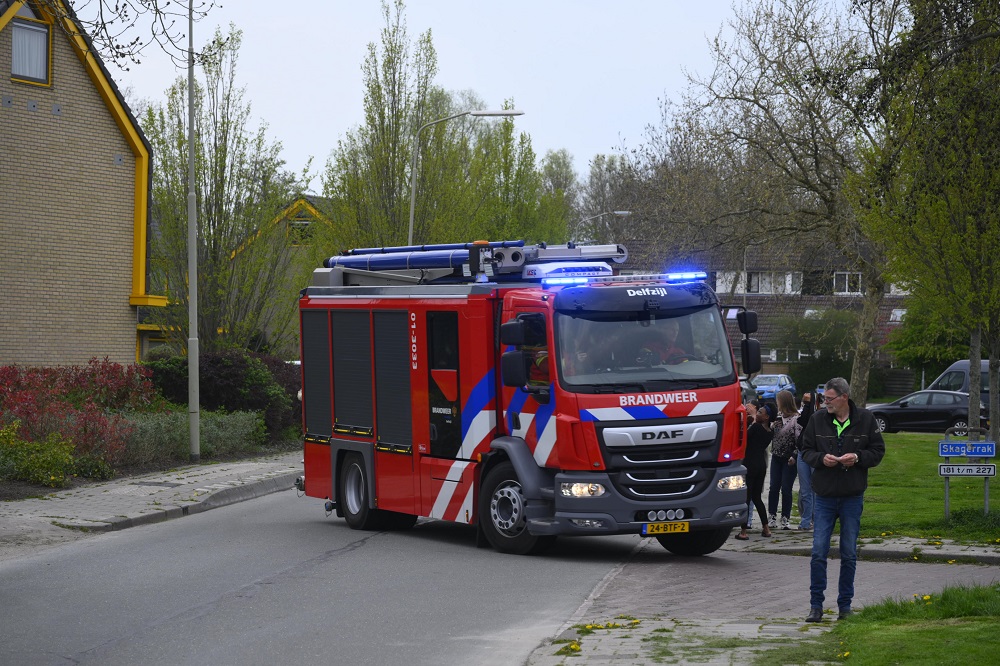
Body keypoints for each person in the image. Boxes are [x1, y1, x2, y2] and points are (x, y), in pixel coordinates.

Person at [800, 377, 885, 623]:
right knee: (818, 552)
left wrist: (857, 457)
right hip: (824, 497)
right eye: (824, 399)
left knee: (848, 553)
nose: (825, 403)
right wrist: (820, 460)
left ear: (844, 397)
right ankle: (816, 606)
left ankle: (844, 606)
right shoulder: (817, 420)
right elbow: (805, 450)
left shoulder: (866, 420)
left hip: (851, 496)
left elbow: (878, 451)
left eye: (829, 399)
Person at [736, 402, 775, 540]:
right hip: (761, 466)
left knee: (746, 498)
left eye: (760, 412)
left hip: (750, 465)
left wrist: (752, 418)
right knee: (757, 497)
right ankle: (766, 528)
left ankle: (743, 531)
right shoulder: (770, 432)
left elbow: (743, 439)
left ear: (766, 417)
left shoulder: (756, 427)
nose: (757, 413)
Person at [767, 390, 801, 530]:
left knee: (786, 488)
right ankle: (772, 516)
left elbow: (799, 441)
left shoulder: (796, 419)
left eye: (778, 400)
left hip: (789, 459)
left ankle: (785, 517)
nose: (777, 403)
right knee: (774, 487)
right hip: (776, 457)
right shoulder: (777, 419)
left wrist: (794, 456)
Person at [795, 392, 816, 530]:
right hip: (803, 452)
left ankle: (814, 518)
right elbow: (802, 421)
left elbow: (809, 419)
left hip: (815, 454)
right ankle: (806, 520)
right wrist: (807, 405)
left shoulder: (822, 414)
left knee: (815, 489)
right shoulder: (806, 412)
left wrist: (809, 404)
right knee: (805, 490)